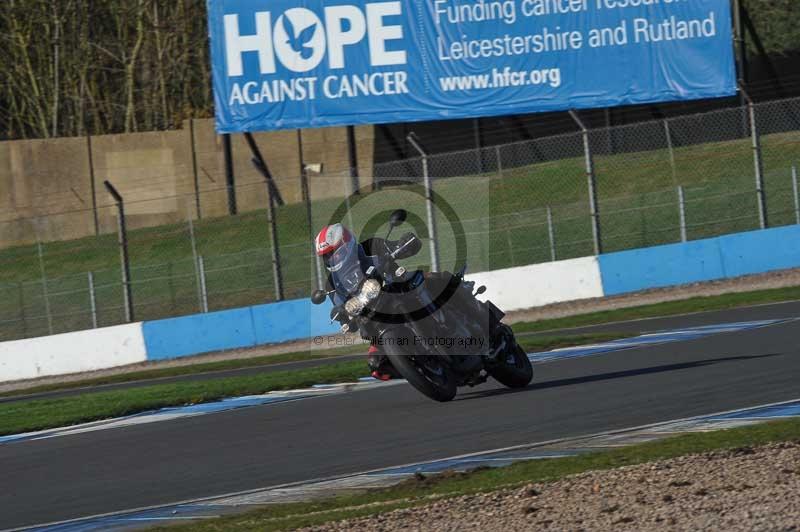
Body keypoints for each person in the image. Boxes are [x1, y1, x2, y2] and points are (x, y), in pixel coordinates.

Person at [315, 223, 421, 380]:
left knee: (434, 280)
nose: (331, 258)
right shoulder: (331, 284)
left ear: (345, 244)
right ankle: (421, 373)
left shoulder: (371, 247)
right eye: (326, 256)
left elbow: (403, 247)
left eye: (333, 253)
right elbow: (341, 307)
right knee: (377, 365)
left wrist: (404, 244)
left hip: (400, 290)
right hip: (374, 320)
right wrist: (341, 316)